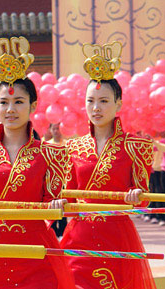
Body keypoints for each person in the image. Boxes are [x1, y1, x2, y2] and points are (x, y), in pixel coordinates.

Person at [0, 36, 75, 289]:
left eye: (18, 102)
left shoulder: (51, 154)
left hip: (36, 250)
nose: (10, 109)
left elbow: (53, 206)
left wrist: (59, 204)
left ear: (33, 106)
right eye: (3, 102)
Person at [60, 41, 155, 289]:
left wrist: (137, 195)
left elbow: (143, 197)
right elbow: (68, 194)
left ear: (118, 103)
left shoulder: (136, 145)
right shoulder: (73, 147)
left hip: (117, 235)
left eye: (103, 101)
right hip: (79, 235)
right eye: (91, 101)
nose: (96, 107)